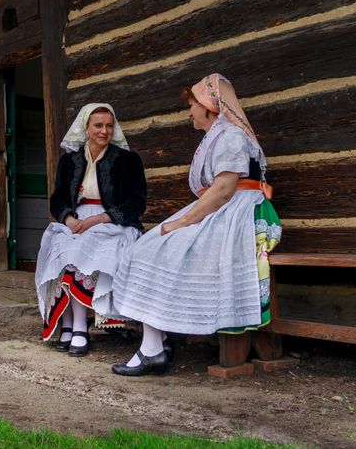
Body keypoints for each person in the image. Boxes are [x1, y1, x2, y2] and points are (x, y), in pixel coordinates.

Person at [109, 73, 282, 376]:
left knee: (163, 247)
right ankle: (154, 343)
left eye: (192, 105)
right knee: (150, 247)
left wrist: (183, 223)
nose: (189, 112)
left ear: (209, 105)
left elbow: (225, 189)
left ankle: (154, 348)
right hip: (224, 209)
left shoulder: (230, 135)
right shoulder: (219, 135)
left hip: (238, 213)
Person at [35, 103, 147, 356]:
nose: (104, 131)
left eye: (109, 126)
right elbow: (58, 198)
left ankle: (78, 328)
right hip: (75, 220)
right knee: (61, 245)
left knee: (82, 249)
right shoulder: (70, 160)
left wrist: (101, 218)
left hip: (112, 223)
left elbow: (137, 202)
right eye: (98, 125)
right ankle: (69, 323)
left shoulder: (128, 160)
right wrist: (69, 219)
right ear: (86, 128)